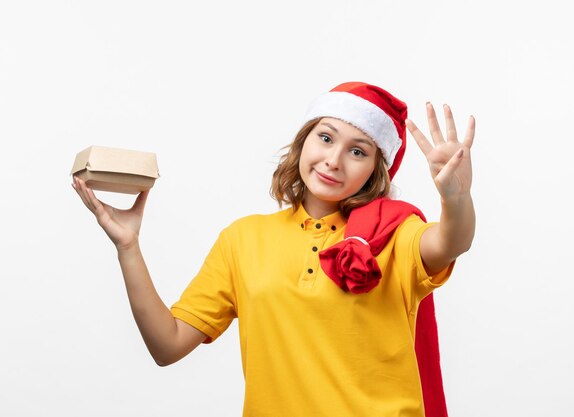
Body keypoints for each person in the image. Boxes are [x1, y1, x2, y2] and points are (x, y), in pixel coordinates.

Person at [72, 81, 475, 417]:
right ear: (304, 142)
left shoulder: (395, 235)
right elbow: (168, 344)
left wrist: (456, 198)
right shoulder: (243, 240)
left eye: (358, 151)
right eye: (326, 137)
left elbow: (449, 242)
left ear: (375, 169)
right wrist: (128, 246)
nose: (334, 160)